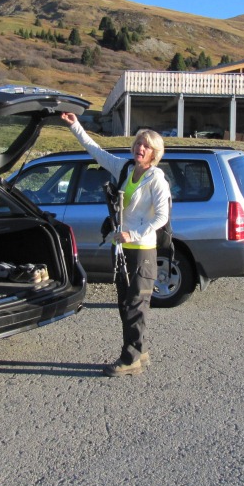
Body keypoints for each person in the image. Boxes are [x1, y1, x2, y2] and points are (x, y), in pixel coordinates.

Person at [61, 113, 171, 377]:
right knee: (125, 302)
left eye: (145, 146)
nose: (139, 148)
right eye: (137, 144)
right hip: (121, 249)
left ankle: (130, 358)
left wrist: (133, 234)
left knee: (135, 304)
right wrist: (75, 125)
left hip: (142, 250)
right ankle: (140, 350)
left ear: (154, 152)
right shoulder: (125, 169)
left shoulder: (156, 178)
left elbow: (162, 216)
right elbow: (95, 151)